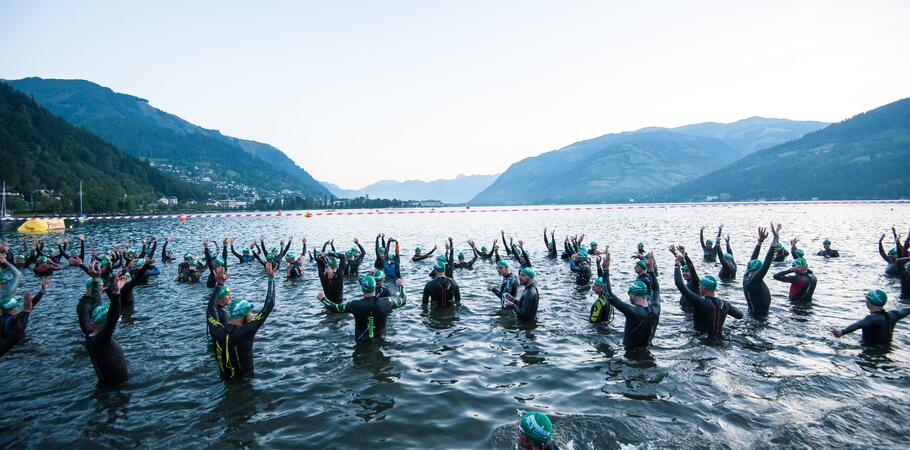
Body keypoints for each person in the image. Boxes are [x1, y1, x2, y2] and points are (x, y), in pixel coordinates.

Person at [206, 264, 276, 379]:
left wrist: (219, 284)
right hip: (245, 382)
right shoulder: (247, 331)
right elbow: (269, 304)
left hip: (225, 380)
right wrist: (271, 279)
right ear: (243, 315)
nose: (252, 314)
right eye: (250, 311)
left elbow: (210, 309)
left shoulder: (217, 331)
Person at [320, 275, 407, 343]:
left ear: (362, 289)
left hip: (361, 343)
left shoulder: (355, 305)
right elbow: (402, 300)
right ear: (374, 287)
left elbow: (335, 308)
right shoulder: (386, 302)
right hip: (381, 341)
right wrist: (401, 286)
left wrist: (323, 299)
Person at [603, 250, 661, 349]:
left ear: (633, 295)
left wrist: (605, 269)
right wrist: (651, 269)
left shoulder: (633, 312)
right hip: (647, 349)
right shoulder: (656, 308)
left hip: (630, 355)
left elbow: (609, 295)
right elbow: (656, 289)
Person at [674, 267, 743, 340]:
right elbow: (739, 315)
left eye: (700, 286)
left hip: (702, 341)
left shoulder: (700, 301)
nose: (699, 287)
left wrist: (676, 265)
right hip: (720, 340)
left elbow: (679, 284)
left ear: (703, 288)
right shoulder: (725, 304)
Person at [85, 273, 128, 386]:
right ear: (103, 323)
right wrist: (117, 293)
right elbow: (112, 318)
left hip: (108, 386)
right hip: (115, 389)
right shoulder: (101, 339)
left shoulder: (92, 334)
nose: (116, 324)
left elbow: (97, 303)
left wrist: (95, 279)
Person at [831, 290, 910, 347]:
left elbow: (858, 324)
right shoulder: (893, 315)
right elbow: (905, 311)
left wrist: (842, 332)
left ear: (869, 302)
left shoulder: (871, 319)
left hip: (870, 350)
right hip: (887, 347)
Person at [0, 278, 47, 357]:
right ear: (14, 308)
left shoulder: (2, 318)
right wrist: (42, 290)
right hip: (20, 345)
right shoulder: (17, 319)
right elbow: (30, 306)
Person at [742, 224, 781, 319]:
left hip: (752, 313)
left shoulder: (747, 275)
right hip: (760, 319)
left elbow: (753, 259)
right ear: (758, 270)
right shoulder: (755, 281)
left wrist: (760, 241)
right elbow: (767, 263)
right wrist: (775, 239)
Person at [668, 245, 699, 313]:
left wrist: (685, 257)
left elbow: (691, 267)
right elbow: (684, 264)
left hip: (690, 314)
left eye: (687, 271)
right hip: (684, 312)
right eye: (683, 271)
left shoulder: (695, 282)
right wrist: (675, 253)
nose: (684, 273)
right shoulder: (689, 281)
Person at [588, 259, 613, 324]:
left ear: (601, 288)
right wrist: (598, 265)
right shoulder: (608, 298)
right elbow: (602, 279)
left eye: (596, 285)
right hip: (605, 327)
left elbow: (593, 321)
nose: (593, 286)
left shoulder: (600, 302)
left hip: (598, 330)